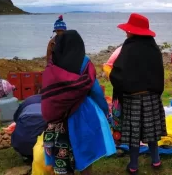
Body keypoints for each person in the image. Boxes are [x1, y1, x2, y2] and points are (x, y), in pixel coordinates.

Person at [41, 30, 116, 175]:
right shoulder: (84, 63)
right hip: (83, 114)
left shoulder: (52, 64)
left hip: (58, 119)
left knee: (63, 157)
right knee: (85, 157)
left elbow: (48, 92)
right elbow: (96, 91)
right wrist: (105, 110)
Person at [110, 13, 166, 174]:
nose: (126, 32)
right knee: (152, 131)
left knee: (134, 132)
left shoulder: (128, 47)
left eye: (128, 30)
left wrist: (116, 80)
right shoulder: (153, 48)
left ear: (134, 31)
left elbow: (118, 73)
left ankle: (133, 165)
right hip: (152, 97)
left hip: (132, 97)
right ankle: (156, 161)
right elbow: (159, 72)